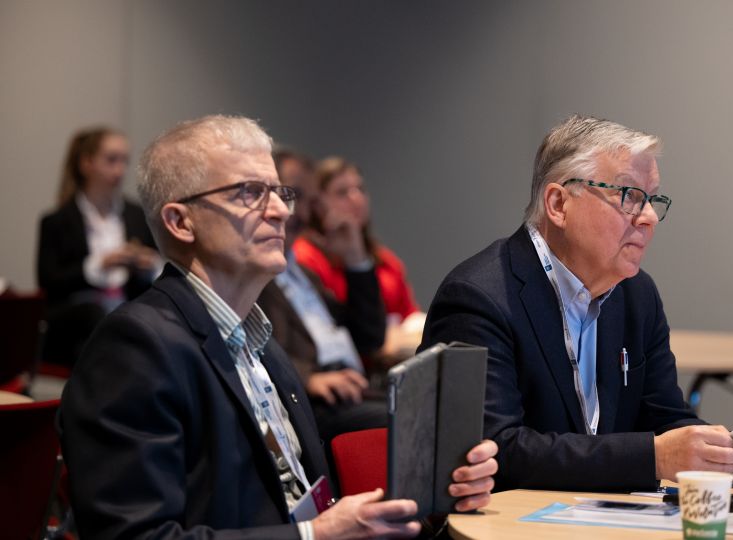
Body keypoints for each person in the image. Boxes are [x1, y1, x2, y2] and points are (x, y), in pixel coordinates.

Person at [59, 115, 497, 540]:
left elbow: (306, 500)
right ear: (180, 221)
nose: (279, 212)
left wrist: (431, 500)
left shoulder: (261, 345)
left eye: (279, 192)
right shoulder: (136, 348)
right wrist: (314, 535)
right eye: (250, 192)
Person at [420, 115, 733, 492]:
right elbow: (494, 450)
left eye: (652, 199)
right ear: (558, 204)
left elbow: (667, 421)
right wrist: (653, 458)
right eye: (630, 196)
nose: (650, 217)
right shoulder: (480, 297)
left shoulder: (637, 295)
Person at [260, 149, 388, 444]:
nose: (301, 211)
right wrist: (307, 377)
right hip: (310, 399)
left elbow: (370, 338)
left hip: (353, 386)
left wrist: (356, 257)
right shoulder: (253, 272)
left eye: (309, 200)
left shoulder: (305, 274)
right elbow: (249, 346)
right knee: (401, 420)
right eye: (292, 194)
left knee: (432, 405)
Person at [36, 127, 162, 365]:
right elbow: (48, 282)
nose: (120, 169)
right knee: (98, 316)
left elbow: (156, 273)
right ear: (86, 163)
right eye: (111, 160)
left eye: (124, 160)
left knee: (148, 315)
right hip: (79, 316)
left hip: (127, 306)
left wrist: (146, 264)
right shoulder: (57, 221)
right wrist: (99, 264)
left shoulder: (136, 215)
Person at [293, 156, 421, 323]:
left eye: (360, 189)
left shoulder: (385, 259)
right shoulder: (304, 256)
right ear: (317, 203)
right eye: (342, 192)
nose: (356, 199)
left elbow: (411, 317)